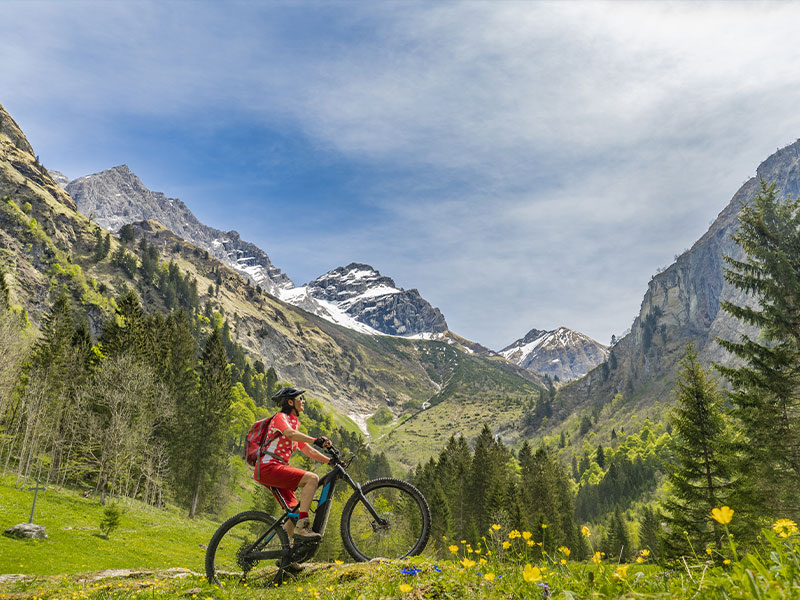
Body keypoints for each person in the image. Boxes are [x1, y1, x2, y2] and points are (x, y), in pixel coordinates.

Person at [253, 386, 332, 542]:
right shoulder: (281, 418)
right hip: (268, 467)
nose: (303, 401)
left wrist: (331, 461)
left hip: (275, 469)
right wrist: (315, 440)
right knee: (312, 479)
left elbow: (310, 451)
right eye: (299, 399)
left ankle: (286, 554)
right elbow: (290, 434)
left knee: (294, 510)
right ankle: (303, 527)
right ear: (290, 402)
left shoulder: (294, 425)